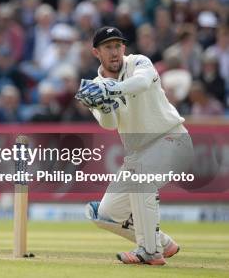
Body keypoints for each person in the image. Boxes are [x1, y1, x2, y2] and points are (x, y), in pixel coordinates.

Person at [75, 26, 194, 265]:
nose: (115, 52)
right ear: (96, 52)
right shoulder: (95, 85)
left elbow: (140, 84)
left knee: (141, 180)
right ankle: (162, 242)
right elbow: (109, 124)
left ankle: (150, 251)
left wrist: (111, 89)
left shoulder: (139, 62)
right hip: (139, 154)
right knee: (105, 214)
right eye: (108, 47)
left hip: (171, 139)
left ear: (124, 48)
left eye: (118, 46)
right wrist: (104, 105)